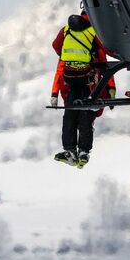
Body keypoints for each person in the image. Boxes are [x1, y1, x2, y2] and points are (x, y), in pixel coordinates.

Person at [51, 11, 115, 168]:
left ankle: (69, 150)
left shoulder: (66, 29)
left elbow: (56, 46)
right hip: (88, 80)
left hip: (70, 79)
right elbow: (105, 54)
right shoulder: (94, 30)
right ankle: (83, 151)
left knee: (70, 114)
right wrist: (111, 88)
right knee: (86, 113)